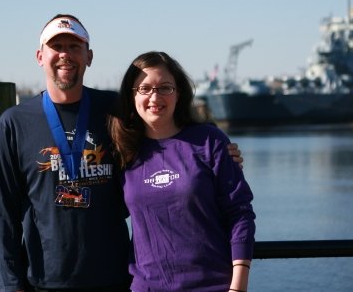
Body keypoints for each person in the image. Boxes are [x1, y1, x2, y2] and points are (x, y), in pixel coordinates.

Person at [0, 14, 245, 292]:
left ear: (89, 56)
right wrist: (11, 286)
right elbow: (5, 214)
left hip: (116, 279)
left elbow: (166, 126)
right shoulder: (14, 123)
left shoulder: (115, 110)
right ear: (40, 56)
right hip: (44, 281)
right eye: (57, 46)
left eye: (75, 47)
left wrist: (219, 152)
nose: (66, 54)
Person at [108, 51, 256, 292]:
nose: (154, 97)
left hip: (212, 286)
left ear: (178, 94)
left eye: (165, 88)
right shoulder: (123, 152)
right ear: (132, 96)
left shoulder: (210, 142)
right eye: (144, 89)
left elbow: (240, 213)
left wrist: (238, 286)